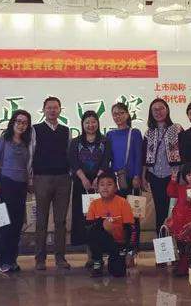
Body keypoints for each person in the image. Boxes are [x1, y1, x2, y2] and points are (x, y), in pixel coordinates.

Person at [31, 97, 72, 270]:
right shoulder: (35, 129)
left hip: (63, 179)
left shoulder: (66, 130)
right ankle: (40, 259)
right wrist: (30, 176)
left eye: (55, 108)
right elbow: (31, 153)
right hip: (42, 178)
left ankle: (60, 258)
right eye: (49, 108)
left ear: (60, 110)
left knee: (60, 221)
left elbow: (69, 154)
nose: (52, 110)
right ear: (43, 110)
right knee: (41, 220)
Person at [0, 110, 33, 273]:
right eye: (19, 121)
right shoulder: (3, 140)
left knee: (17, 224)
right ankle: (2, 261)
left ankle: (12, 259)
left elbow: (27, 166)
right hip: (6, 184)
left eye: (25, 123)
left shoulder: (26, 143)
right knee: (5, 224)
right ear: (12, 122)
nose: (21, 125)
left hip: (21, 186)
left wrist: (29, 183)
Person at [69, 110, 111, 266]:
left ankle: (100, 255)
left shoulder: (105, 141)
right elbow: (73, 162)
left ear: (98, 123)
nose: (91, 125)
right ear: (82, 124)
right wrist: (84, 179)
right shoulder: (75, 142)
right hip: (82, 185)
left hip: (101, 185)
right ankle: (90, 256)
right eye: (87, 122)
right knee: (85, 220)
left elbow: (106, 161)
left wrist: (97, 180)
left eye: (93, 122)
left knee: (100, 219)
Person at [106, 102, 143, 254]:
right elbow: (108, 158)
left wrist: (137, 175)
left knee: (133, 215)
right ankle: (120, 247)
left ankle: (132, 248)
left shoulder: (135, 133)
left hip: (131, 179)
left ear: (127, 114)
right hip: (115, 181)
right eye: (115, 114)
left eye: (121, 113)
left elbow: (139, 156)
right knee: (117, 215)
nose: (118, 116)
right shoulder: (110, 135)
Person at [142, 98, 183, 236]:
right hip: (154, 176)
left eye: (161, 108)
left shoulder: (177, 129)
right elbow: (144, 156)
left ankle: (176, 242)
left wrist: (182, 176)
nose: (158, 112)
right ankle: (162, 244)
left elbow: (184, 153)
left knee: (173, 210)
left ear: (167, 110)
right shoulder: (149, 132)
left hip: (173, 176)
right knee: (160, 210)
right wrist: (143, 176)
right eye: (155, 109)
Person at [85, 173, 135, 278]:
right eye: (102, 185)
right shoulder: (94, 204)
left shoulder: (123, 203)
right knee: (93, 228)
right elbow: (89, 229)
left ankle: (117, 258)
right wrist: (103, 223)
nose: (105, 187)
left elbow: (132, 229)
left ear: (116, 188)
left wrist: (130, 252)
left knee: (118, 272)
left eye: (109, 184)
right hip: (102, 241)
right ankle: (97, 262)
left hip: (118, 243)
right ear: (97, 188)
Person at [165, 163, 191, 277]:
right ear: (185, 177)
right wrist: (173, 180)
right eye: (189, 174)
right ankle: (181, 265)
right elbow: (170, 192)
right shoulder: (181, 188)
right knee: (181, 245)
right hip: (179, 221)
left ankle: (183, 267)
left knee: (188, 245)